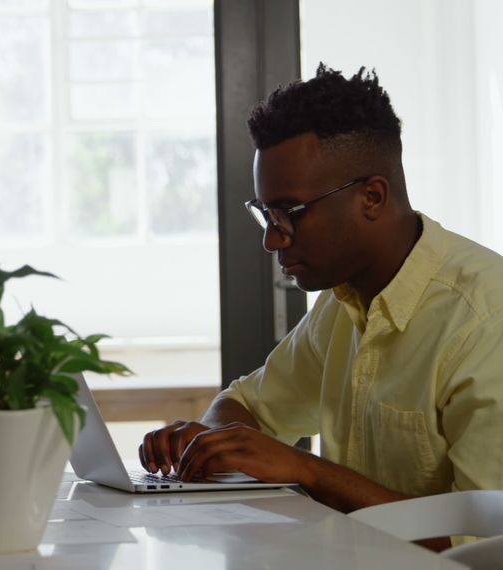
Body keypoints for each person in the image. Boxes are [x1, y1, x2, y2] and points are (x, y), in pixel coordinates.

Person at [139, 65, 503, 520]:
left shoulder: (486, 320)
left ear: (372, 197)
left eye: (290, 212)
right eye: (267, 213)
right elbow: (246, 405)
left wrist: (307, 471)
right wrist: (208, 443)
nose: (273, 239)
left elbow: (486, 540)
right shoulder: (342, 301)